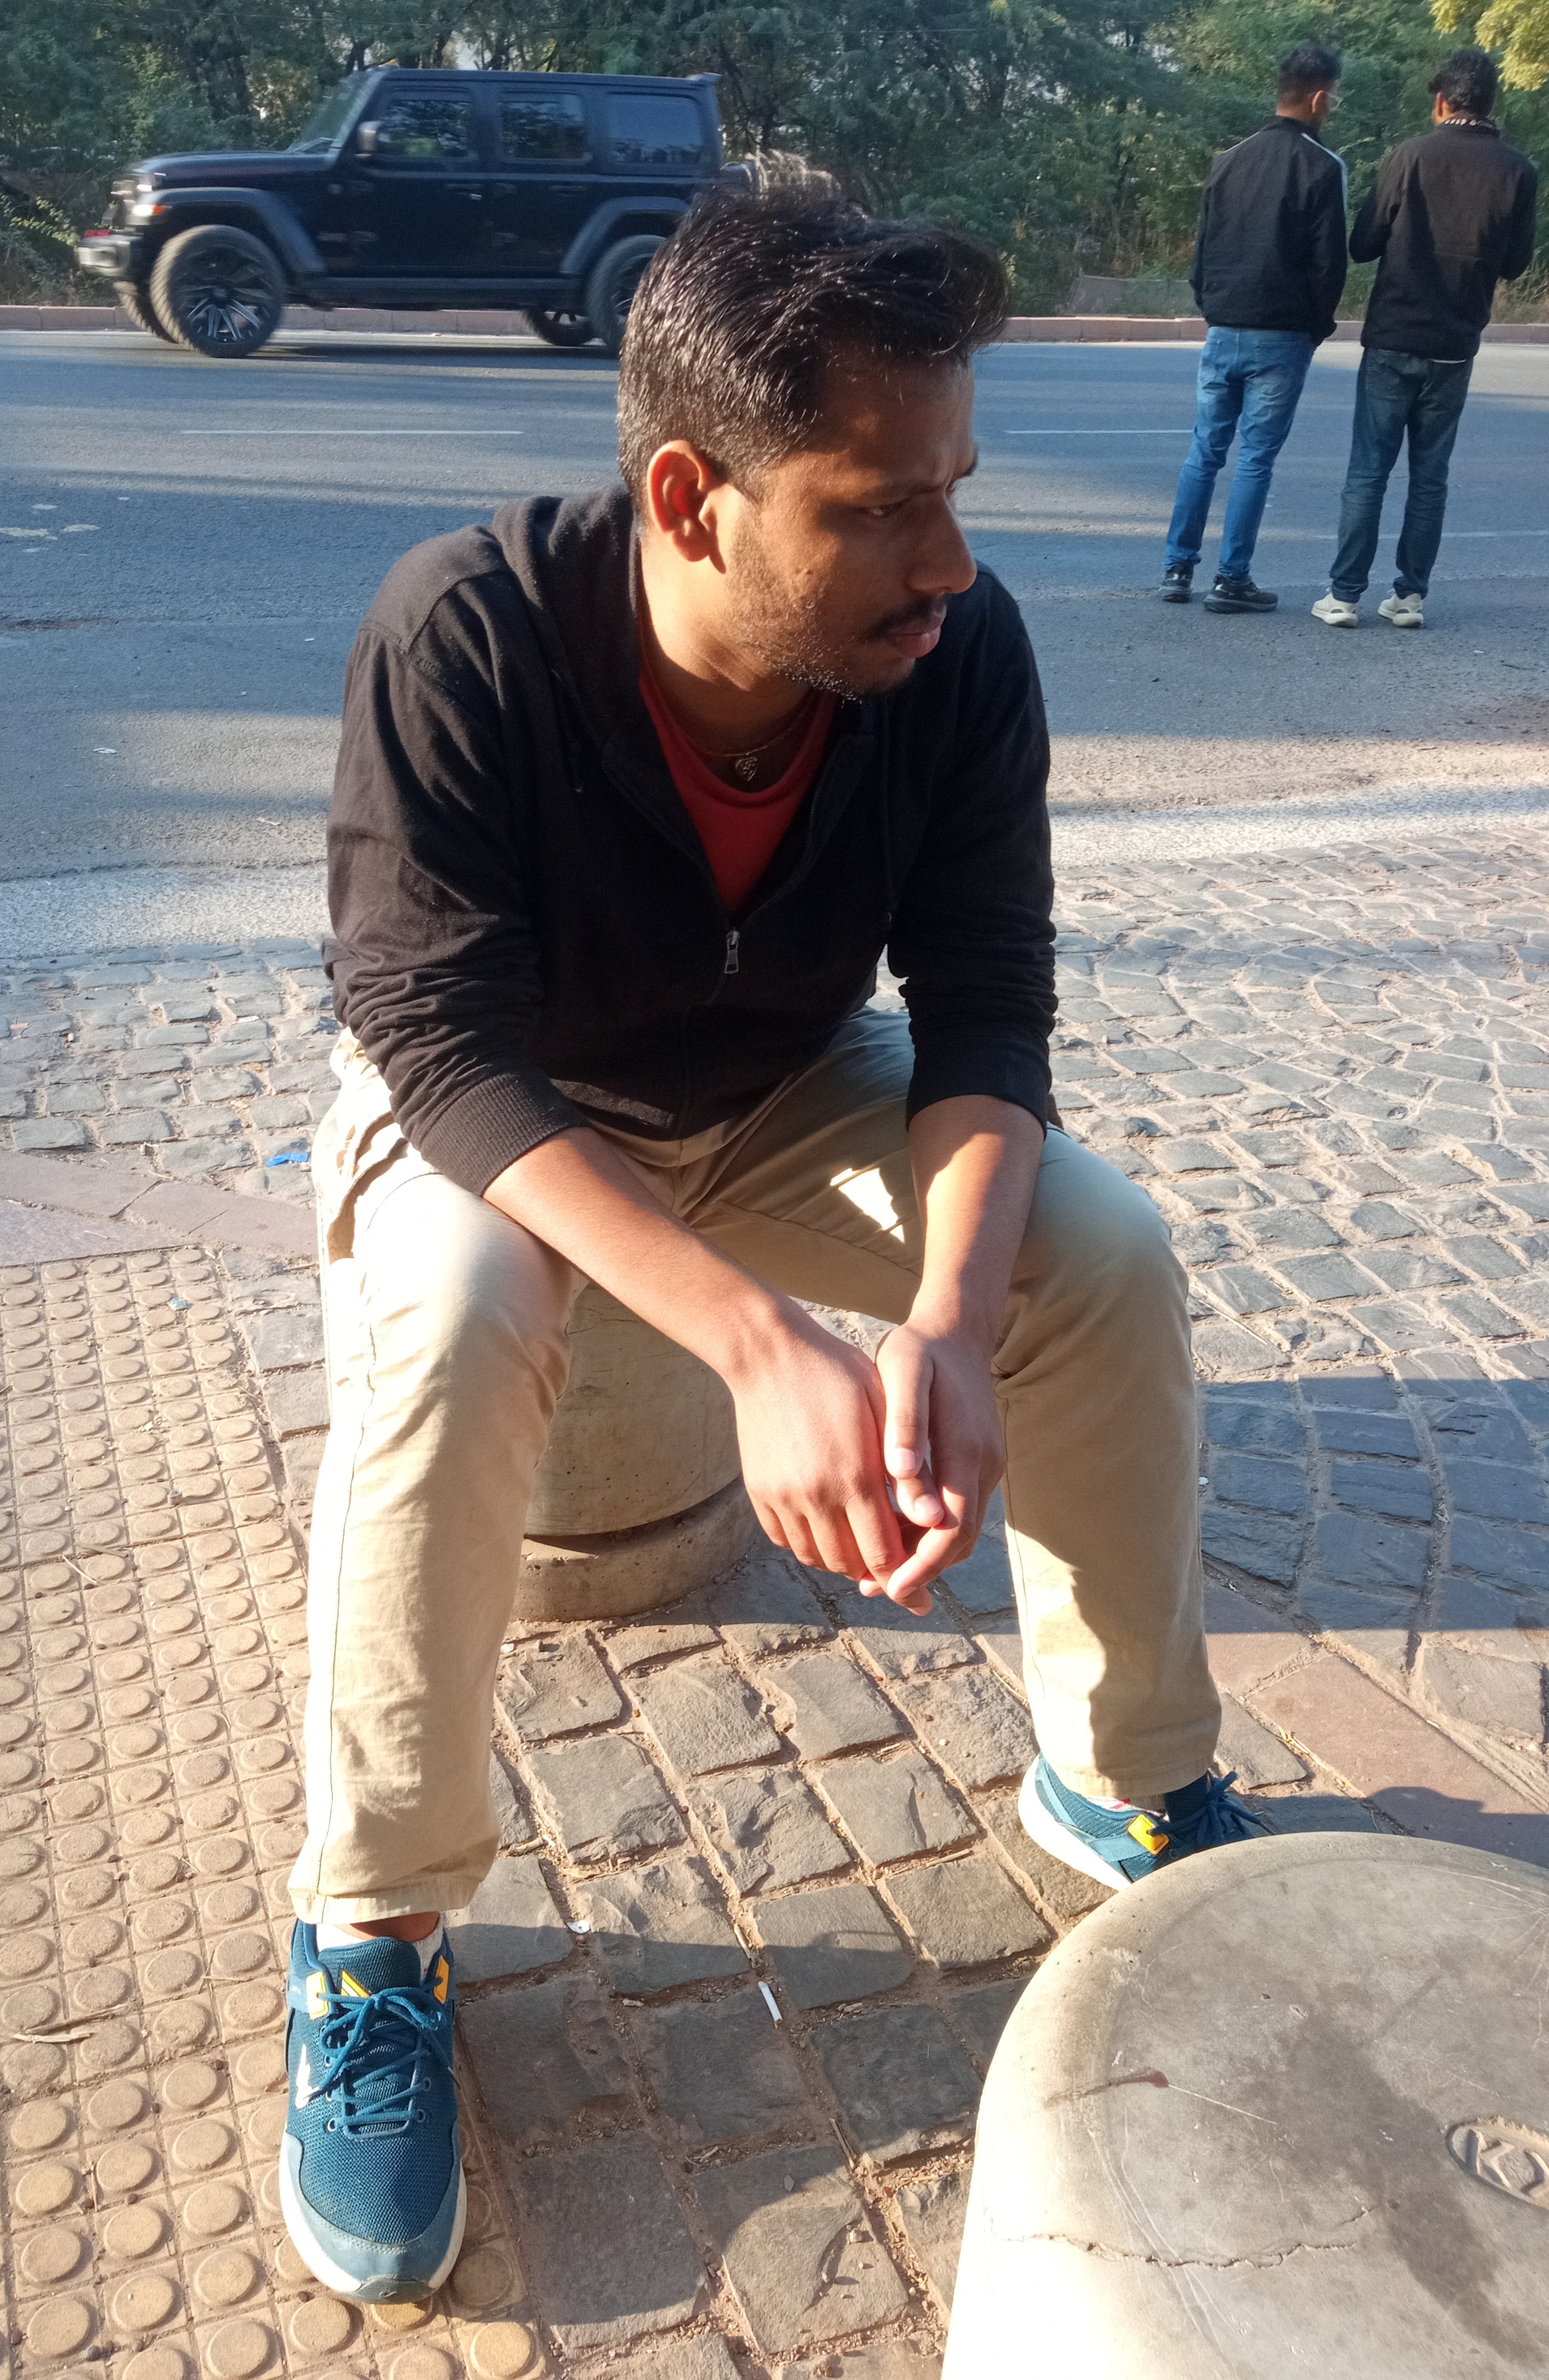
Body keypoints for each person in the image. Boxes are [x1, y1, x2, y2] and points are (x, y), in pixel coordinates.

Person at [279, 182, 1269, 2308]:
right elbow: (435, 1045)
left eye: (954, 492)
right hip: (510, 1114)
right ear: (689, 496)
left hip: (786, 1085)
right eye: (878, 507)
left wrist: (944, 1323)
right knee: (446, 1317)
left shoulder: (952, 657)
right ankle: (372, 1929)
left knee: (1092, 1249)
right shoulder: (464, 630)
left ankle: (1122, 1778)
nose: (948, 560)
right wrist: (757, 1345)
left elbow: (986, 1010)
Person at [1312, 49, 1539, 631]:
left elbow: (1364, 243)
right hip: (1456, 343)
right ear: (1490, 101)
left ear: (1441, 101)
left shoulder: (1409, 155)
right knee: (1430, 478)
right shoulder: (1518, 170)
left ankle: (1344, 596)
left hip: (1393, 336)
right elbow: (1515, 264)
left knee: (1368, 471)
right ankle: (1410, 597)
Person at [1161, 41, 1348, 613]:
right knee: (1255, 458)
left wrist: (1214, 306)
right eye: (1333, 100)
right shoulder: (1323, 166)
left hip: (1224, 327)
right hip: (1282, 335)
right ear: (1318, 98)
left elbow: (1202, 255)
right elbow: (1329, 265)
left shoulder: (1228, 160)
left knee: (1204, 452)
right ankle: (1231, 578)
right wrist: (1315, 327)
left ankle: (1177, 568)